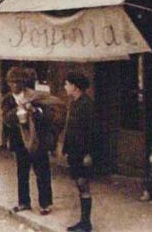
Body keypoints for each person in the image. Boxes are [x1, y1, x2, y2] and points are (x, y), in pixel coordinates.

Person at [2, 67, 64, 216]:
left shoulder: (36, 97)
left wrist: (35, 112)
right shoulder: (8, 99)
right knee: (22, 173)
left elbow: (48, 116)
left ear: (23, 83)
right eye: (11, 83)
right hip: (19, 141)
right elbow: (5, 119)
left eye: (17, 82)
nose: (14, 85)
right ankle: (24, 203)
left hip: (38, 140)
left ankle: (45, 204)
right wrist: (17, 111)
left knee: (42, 172)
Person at [63, 71, 97, 232]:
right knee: (79, 184)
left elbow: (91, 132)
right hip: (74, 152)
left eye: (67, 84)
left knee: (84, 185)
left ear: (74, 86)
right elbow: (70, 129)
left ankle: (86, 223)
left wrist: (88, 154)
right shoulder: (75, 103)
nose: (65, 87)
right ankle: (83, 221)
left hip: (83, 153)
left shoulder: (87, 105)